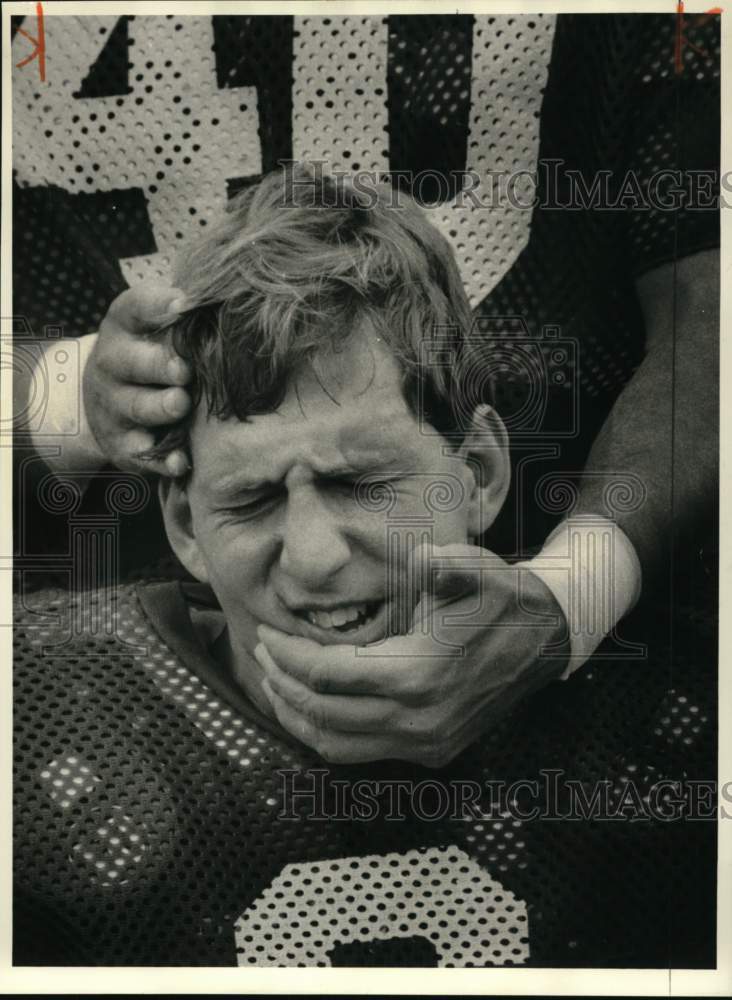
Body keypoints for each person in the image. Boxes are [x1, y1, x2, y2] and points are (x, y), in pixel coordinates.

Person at [14, 165, 577, 966]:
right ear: (184, 523)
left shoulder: (659, 707)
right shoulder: (34, 717)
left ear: (480, 471)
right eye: (250, 500)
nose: (314, 559)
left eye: (360, 482)